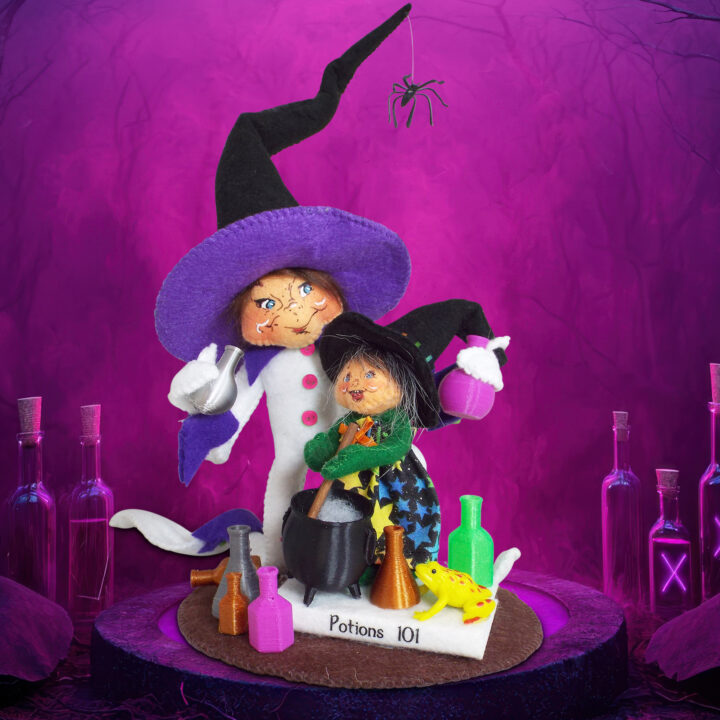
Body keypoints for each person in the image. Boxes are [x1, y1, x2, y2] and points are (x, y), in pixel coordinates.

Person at [305, 301, 509, 567]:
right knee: (345, 523)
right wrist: (320, 449)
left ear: (400, 383)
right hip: (349, 490)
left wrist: (358, 456)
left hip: (391, 486)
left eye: (370, 374)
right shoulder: (349, 420)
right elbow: (331, 441)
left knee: (388, 524)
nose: (354, 383)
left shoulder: (396, 420)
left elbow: (395, 447)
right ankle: (349, 564)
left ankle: (389, 567)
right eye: (347, 376)